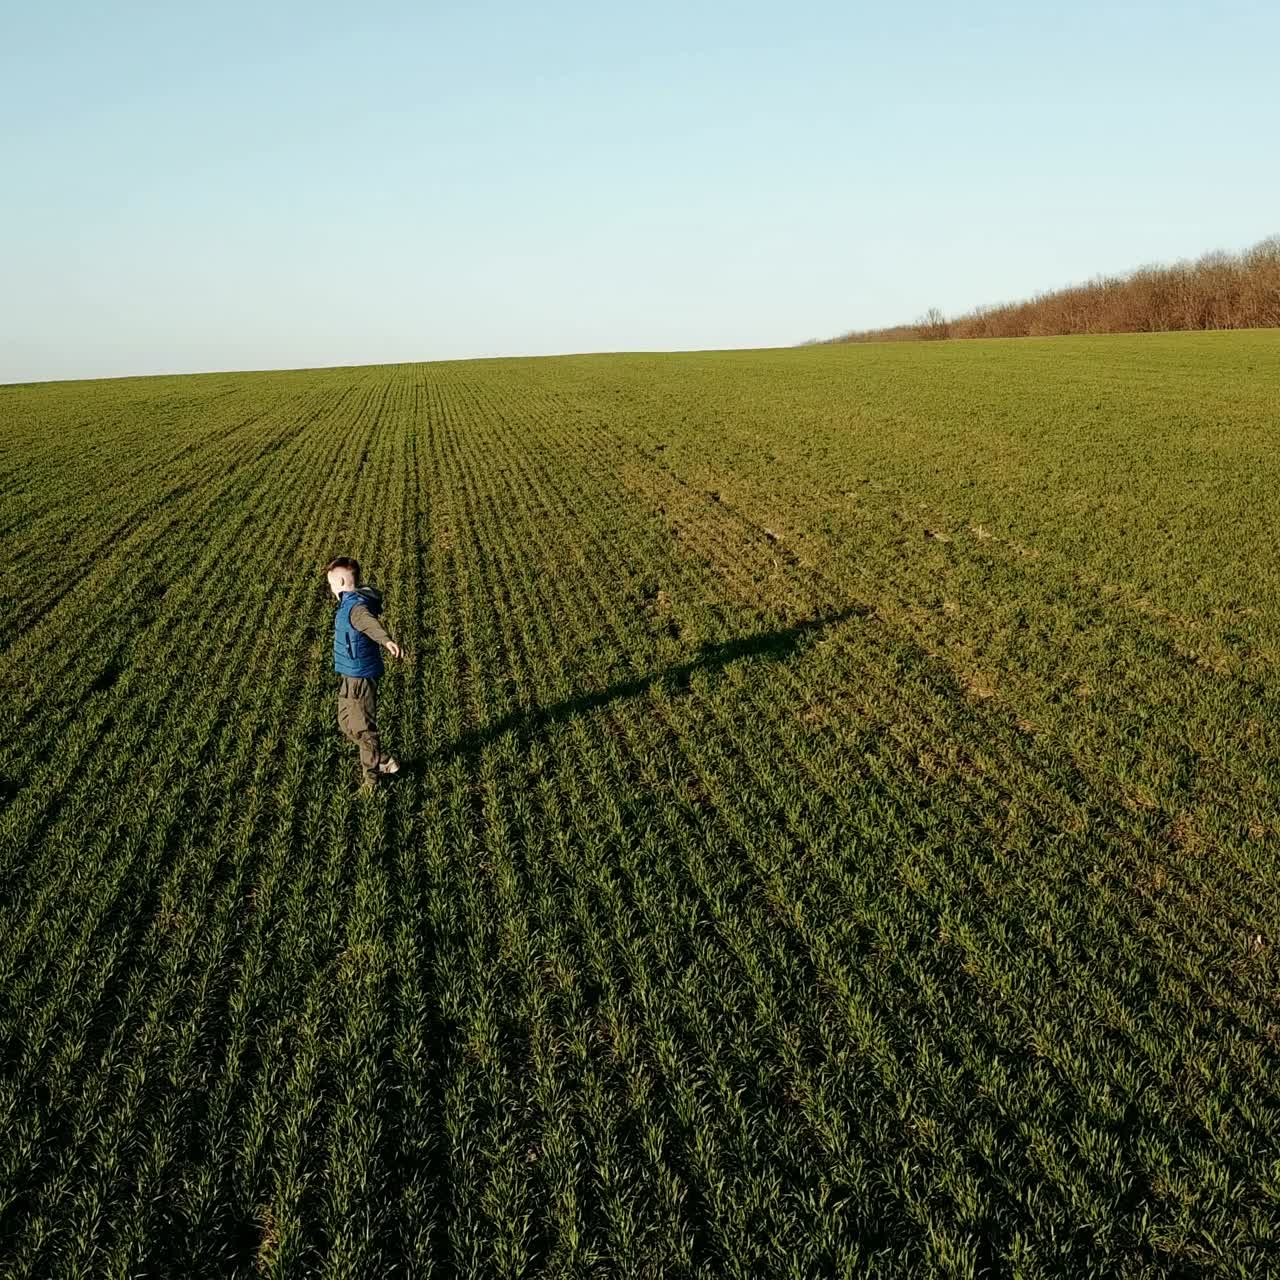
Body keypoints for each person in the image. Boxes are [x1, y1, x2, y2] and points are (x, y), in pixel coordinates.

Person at [324, 556, 404, 791]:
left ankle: (372, 780)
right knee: (346, 722)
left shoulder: (356, 608)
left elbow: (370, 624)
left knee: (363, 729)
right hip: (349, 673)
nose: (330, 588)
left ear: (339, 581)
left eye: (330, 584)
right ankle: (379, 758)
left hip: (360, 676)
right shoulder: (350, 602)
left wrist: (387, 641)